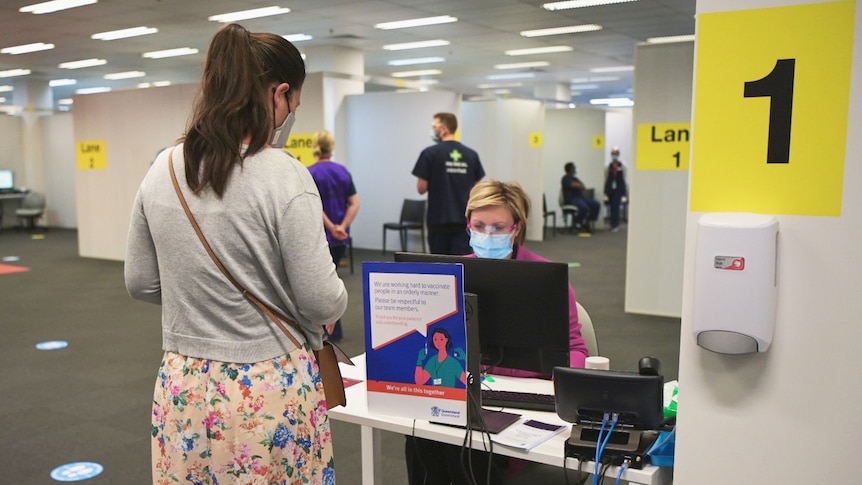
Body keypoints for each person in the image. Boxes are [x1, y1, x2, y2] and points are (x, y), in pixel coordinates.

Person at [124, 23, 347, 485]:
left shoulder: (162, 167)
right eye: (294, 106)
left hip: (182, 385)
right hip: (268, 387)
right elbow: (322, 301)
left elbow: (140, 282)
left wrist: (201, 297)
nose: (290, 117)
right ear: (278, 94)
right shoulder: (284, 176)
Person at [405, 180, 589, 485]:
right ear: (468, 225)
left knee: (470, 452)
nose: (487, 234)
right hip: (467, 398)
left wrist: (565, 380)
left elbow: (576, 349)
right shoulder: (453, 275)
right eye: (479, 225)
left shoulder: (546, 279)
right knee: (420, 438)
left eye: (498, 227)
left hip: (523, 408)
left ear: (516, 229)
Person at [308, 129, 359, 342]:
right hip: (340, 239)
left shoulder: (309, 173)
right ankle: (335, 330)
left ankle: (325, 330)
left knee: (319, 285)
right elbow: (354, 202)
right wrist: (342, 227)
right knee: (334, 279)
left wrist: (330, 227)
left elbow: (313, 206)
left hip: (322, 239)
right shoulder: (343, 172)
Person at [412, 112, 485, 255]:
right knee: (462, 260)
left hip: (438, 218)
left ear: (444, 129)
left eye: (434, 126)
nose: (432, 130)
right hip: (464, 217)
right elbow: (478, 188)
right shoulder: (471, 154)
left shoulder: (429, 154)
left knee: (440, 262)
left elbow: (421, 188)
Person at [561, 161, 600, 232]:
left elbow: (583, 186)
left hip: (581, 198)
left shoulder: (575, 178)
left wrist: (579, 185)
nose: (575, 169)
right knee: (584, 207)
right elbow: (575, 185)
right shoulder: (565, 178)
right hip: (572, 199)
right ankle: (577, 223)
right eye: (574, 167)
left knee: (596, 204)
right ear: (570, 169)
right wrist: (579, 186)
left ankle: (587, 222)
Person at [604, 147, 628, 232]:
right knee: (611, 207)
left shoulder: (623, 166)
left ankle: (616, 224)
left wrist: (624, 192)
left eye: (616, 153)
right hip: (610, 189)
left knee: (616, 206)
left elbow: (624, 178)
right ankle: (612, 224)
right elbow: (606, 177)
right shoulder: (608, 166)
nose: (615, 155)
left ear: (618, 154)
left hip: (618, 190)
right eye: (613, 153)